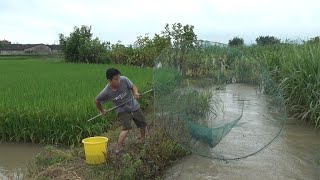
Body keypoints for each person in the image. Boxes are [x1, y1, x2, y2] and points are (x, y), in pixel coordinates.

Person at [95, 68, 147, 154]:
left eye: (118, 78)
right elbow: (97, 100)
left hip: (133, 105)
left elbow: (133, 87)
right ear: (109, 80)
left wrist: (135, 93)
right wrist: (102, 110)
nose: (118, 80)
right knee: (126, 128)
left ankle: (143, 140)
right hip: (122, 110)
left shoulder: (124, 79)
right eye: (116, 79)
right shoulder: (107, 91)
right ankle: (119, 148)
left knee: (143, 124)